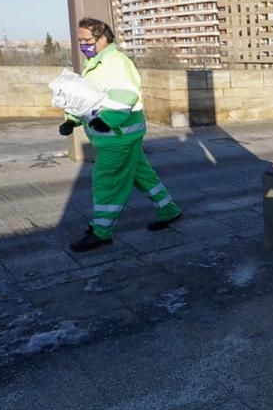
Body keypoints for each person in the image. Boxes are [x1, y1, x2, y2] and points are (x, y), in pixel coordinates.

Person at [61, 17, 182, 252]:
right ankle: (169, 209)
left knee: (108, 181)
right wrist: (71, 119)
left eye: (87, 40)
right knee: (141, 174)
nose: (82, 44)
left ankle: (101, 231)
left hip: (117, 136)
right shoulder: (97, 62)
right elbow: (88, 98)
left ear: (103, 38)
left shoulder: (116, 62)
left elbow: (126, 96)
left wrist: (106, 121)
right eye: (80, 40)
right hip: (118, 134)